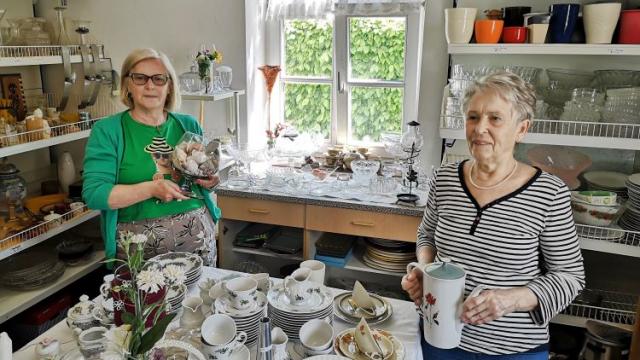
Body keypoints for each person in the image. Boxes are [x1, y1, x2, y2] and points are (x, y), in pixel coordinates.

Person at [401, 72, 585, 358]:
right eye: (473, 117)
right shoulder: (445, 178)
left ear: (522, 129)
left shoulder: (549, 193)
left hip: (513, 348)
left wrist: (510, 300)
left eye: (495, 119)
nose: (479, 129)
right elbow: (426, 235)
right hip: (440, 336)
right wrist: (424, 270)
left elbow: (570, 277)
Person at [83, 48, 221, 266]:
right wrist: (151, 189)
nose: (150, 85)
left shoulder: (187, 124)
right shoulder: (108, 130)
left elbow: (201, 177)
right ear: (127, 84)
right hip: (141, 254)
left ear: (169, 86)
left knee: (201, 300)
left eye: (159, 79)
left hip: (199, 244)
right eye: (140, 78)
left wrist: (211, 181)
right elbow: (94, 194)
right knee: (145, 301)